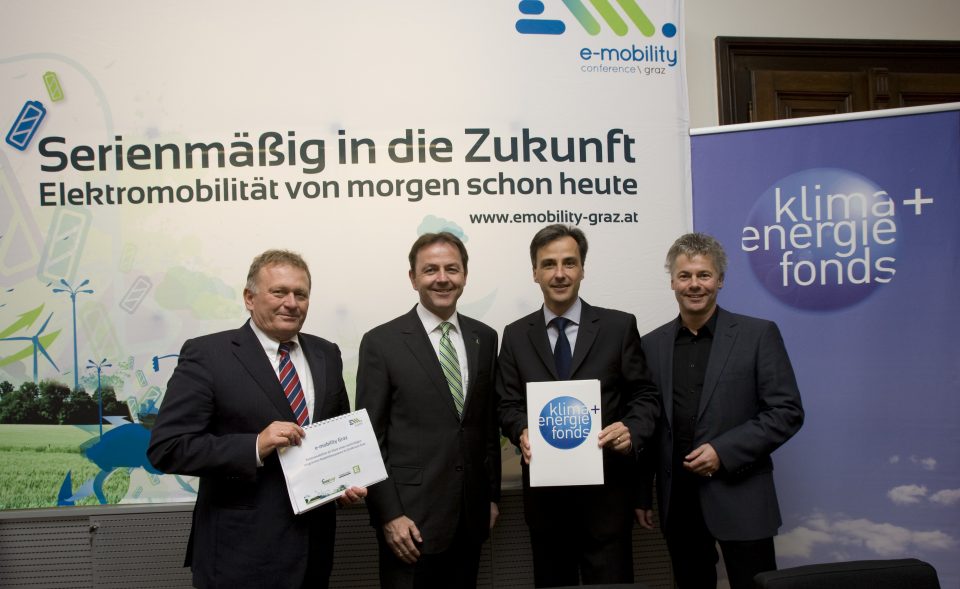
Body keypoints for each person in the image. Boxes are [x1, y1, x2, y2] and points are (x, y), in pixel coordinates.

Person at [147, 249, 366, 589]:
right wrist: (254, 446)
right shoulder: (208, 355)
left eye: (301, 294)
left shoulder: (327, 353)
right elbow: (167, 448)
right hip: (239, 555)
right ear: (249, 298)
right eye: (279, 292)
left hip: (314, 551)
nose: (291, 303)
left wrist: (342, 483)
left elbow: (334, 437)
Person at [638, 232, 804, 589]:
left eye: (704, 274)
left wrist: (723, 452)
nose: (694, 284)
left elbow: (786, 411)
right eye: (685, 276)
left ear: (720, 280)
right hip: (679, 504)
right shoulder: (650, 346)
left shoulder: (758, 335)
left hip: (743, 496)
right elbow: (649, 423)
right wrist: (641, 495)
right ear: (672, 282)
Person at [497, 224, 659, 587]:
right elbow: (506, 403)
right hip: (546, 505)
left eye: (569, 263)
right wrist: (520, 428)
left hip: (608, 500)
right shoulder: (515, 335)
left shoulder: (618, 327)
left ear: (582, 269)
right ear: (535, 272)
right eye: (549, 264)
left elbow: (645, 396)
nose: (560, 273)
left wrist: (631, 429)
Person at [356, 232, 501, 589]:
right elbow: (369, 438)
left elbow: (486, 426)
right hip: (410, 524)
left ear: (465, 275)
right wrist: (389, 515)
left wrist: (491, 496)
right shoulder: (381, 343)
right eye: (430, 269)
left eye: (452, 268)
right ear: (413, 278)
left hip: (470, 518)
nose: (442, 278)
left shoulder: (485, 337)